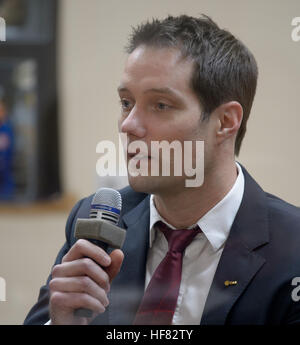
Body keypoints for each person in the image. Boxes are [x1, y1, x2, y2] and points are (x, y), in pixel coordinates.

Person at [24, 15, 300, 325]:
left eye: (160, 105)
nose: (129, 125)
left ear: (225, 122)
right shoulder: (93, 218)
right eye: (126, 102)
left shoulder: (293, 248)